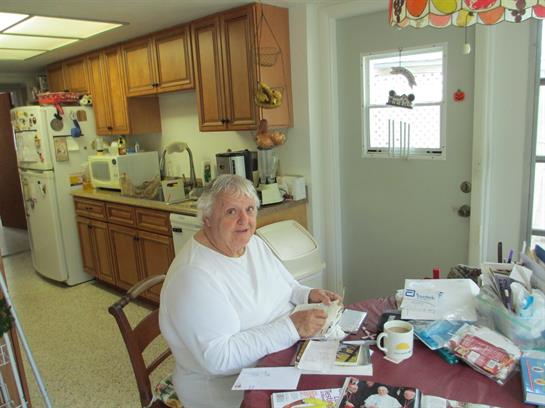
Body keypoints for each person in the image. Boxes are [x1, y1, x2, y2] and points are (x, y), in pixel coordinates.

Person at [159, 175, 342, 408]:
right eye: (231, 212)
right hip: (231, 391)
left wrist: (307, 295)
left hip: (277, 361)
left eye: (250, 209)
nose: (244, 220)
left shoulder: (252, 244)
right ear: (207, 219)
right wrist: (292, 326)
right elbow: (219, 359)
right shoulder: (193, 276)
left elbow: (287, 286)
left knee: (343, 383)